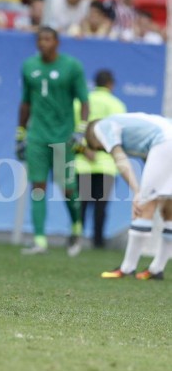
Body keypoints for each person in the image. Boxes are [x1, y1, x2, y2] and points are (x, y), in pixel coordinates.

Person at [16, 26, 89, 256]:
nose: (43, 43)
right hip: (37, 136)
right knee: (38, 187)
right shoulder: (29, 66)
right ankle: (40, 240)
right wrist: (20, 133)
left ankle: (76, 229)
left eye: (48, 39)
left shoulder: (72, 66)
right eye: (40, 39)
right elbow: (25, 102)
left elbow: (84, 101)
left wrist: (81, 130)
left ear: (57, 42)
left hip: (63, 138)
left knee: (68, 189)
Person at [85, 113, 172, 280]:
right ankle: (156, 269)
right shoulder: (130, 123)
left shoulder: (99, 127)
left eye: (98, 147)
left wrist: (138, 192)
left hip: (165, 143)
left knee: (145, 205)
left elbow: (120, 159)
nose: (102, 149)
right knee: (170, 209)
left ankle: (127, 268)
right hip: (167, 140)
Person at [74, 69, 126, 248]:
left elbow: (72, 133)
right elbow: (119, 136)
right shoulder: (117, 105)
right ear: (110, 84)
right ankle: (98, 242)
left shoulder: (79, 103)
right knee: (100, 207)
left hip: (82, 161)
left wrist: (84, 149)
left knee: (80, 205)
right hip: (107, 164)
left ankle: (75, 239)